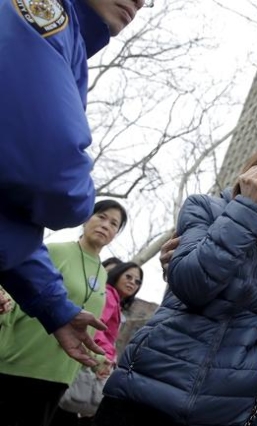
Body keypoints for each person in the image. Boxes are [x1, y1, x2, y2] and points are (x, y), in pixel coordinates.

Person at [93, 126, 257, 426]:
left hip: (224, 413)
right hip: (140, 394)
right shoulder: (204, 209)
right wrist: (248, 210)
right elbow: (192, 285)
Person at [0, 0, 147, 367]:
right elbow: (51, 172)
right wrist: (83, 201)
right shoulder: (42, 14)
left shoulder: (68, 40)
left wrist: (55, 306)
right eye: (104, 217)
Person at [0, 199, 128, 426]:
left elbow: (88, 327)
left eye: (113, 223)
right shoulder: (54, 251)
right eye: (101, 216)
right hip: (19, 361)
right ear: (86, 219)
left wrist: (98, 361)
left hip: (60, 374)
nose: (105, 225)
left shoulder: (102, 275)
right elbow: (15, 287)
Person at [53, 261, 144, 426]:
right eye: (128, 277)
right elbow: (97, 326)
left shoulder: (114, 299)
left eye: (137, 281)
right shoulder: (109, 295)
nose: (132, 282)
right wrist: (103, 357)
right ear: (117, 275)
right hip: (95, 357)